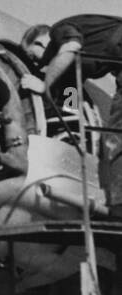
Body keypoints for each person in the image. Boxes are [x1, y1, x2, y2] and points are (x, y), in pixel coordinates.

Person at [21, 18, 122, 215]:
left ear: (42, 43)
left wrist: (44, 85)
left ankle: (120, 209)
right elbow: (71, 110)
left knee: (117, 137)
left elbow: (71, 47)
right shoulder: (72, 76)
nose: (38, 65)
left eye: (34, 57)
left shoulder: (61, 30)